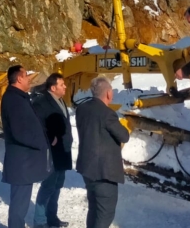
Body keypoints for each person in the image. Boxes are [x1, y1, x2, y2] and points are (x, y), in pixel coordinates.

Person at [1, 65, 52, 228]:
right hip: (21, 163)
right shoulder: (14, 100)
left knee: (21, 204)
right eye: (26, 75)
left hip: (24, 163)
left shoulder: (19, 97)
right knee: (19, 205)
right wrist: (42, 142)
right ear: (19, 78)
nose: (29, 78)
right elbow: (21, 132)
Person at [75, 77, 130, 228]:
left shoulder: (81, 109)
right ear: (108, 94)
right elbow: (124, 136)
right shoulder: (108, 114)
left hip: (87, 168)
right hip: (104, 172)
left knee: (94, 209)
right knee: (105, 213)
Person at [31, 73, 72, 228]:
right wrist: (49, 138)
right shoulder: (40, 102)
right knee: (48, 185)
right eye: (62, 85)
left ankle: (51, 217)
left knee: (57, 185)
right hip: (51, 152)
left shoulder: (60, 100)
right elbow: (36, 126)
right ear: (53, 88)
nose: (65, 87)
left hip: (63, 151)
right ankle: (39, 221)